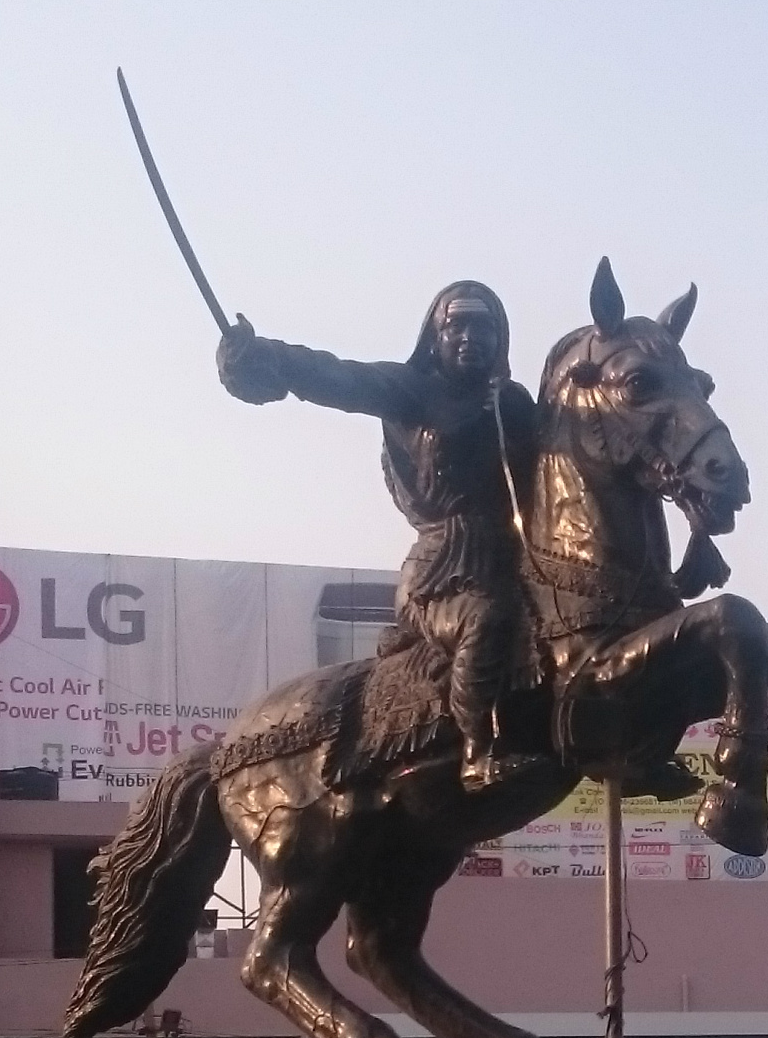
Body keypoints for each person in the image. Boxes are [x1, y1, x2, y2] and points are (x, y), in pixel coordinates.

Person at [216, 282, 547, 791]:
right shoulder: (411, 389)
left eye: (483, 326)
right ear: (434, 335)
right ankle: (478, 752)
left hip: (516, 559)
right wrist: (268, 357)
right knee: (483, 619)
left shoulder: (516, 403)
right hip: (442, 569)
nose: (469, 336)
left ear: (501, 336)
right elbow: (338, 376)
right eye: (456, 325)